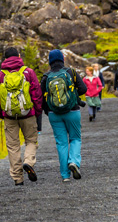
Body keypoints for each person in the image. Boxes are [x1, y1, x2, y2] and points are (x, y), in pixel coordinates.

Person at [0, 47, 42, 186]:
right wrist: (37, 112)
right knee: (31, 141)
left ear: (5, 59)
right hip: (28, 114)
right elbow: (36, 93)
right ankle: (28, 162)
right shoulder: (28, 72)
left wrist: (0, 114)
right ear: (19, 56)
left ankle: (18, 178)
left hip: (9, 115)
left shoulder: (1, 75)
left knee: (13, 146)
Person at [41, 49, 87, 182]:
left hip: (54, 114)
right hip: (72, 111)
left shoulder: (46, 77)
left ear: (50, 61)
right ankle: (74, 162)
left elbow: (41, 97)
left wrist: (47, 111)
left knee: (61, 143)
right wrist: (74, 97)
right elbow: (83, 88)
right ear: (62, 59)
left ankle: (65, 175)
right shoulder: (70, 72)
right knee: (75, 139)